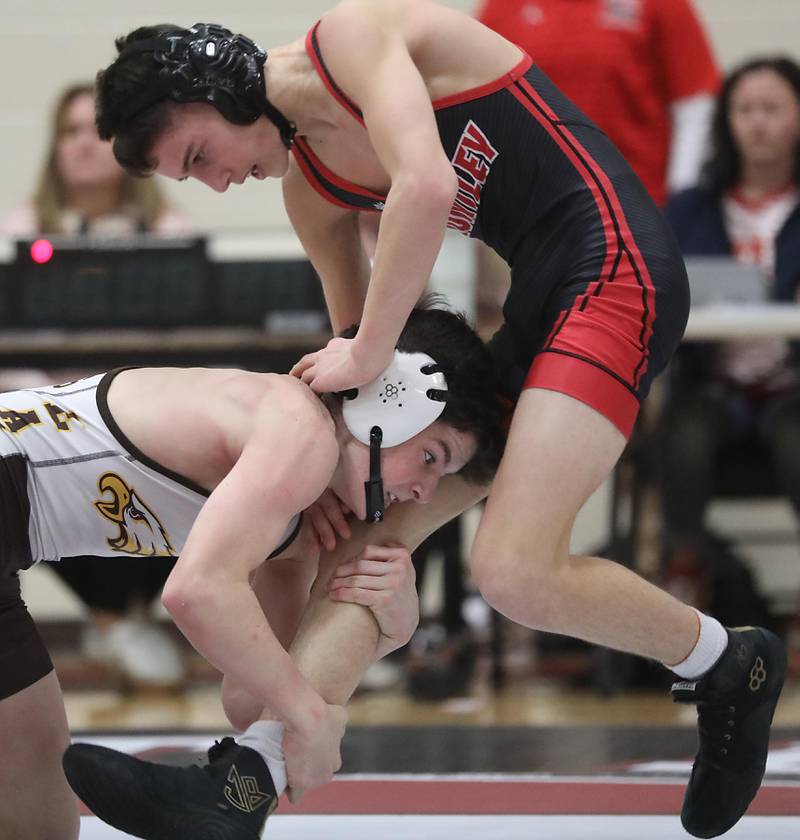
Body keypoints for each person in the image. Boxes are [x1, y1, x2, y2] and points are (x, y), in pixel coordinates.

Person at [82, 4, 785, 838]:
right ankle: (242, 786)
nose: (218, 183)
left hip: (618, 269)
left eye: (200, 156)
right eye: (190, 178)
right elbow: (369, 372)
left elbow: (427, 187)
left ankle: (730, 662)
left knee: (514, 571)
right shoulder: (311, 189)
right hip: (540, 301)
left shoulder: (349, 39)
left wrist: (366, 349)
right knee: (363, 544)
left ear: (217, 90)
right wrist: (340, 474)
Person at [0, 303, 505, 840]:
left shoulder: (300, 518)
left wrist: (389, 633)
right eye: (431, 457)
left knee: (39, 820)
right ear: (392, 401)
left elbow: (247, 702)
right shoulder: (298, 428)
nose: (426, 494)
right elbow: (195, 594)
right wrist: (311, 717)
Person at [0, 82, 193, 687]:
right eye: (69, 132)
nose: (83, 145)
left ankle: (122, 621)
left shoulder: (167, 229)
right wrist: (63, 409)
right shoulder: (21, 229)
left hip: (140, 408)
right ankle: (115, 621)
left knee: (183, 459)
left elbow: (185, 341)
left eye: (97, 131)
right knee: (34, 469)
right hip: (50, 415)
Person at [660, 57, 800, 610]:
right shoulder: (689, 209)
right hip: (712, 381)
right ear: (727, 121)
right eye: (745, 109)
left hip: (792, 384)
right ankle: (685, 572)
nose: (758, 122)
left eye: (772, 108)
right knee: (683, 434)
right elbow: (657, 291)